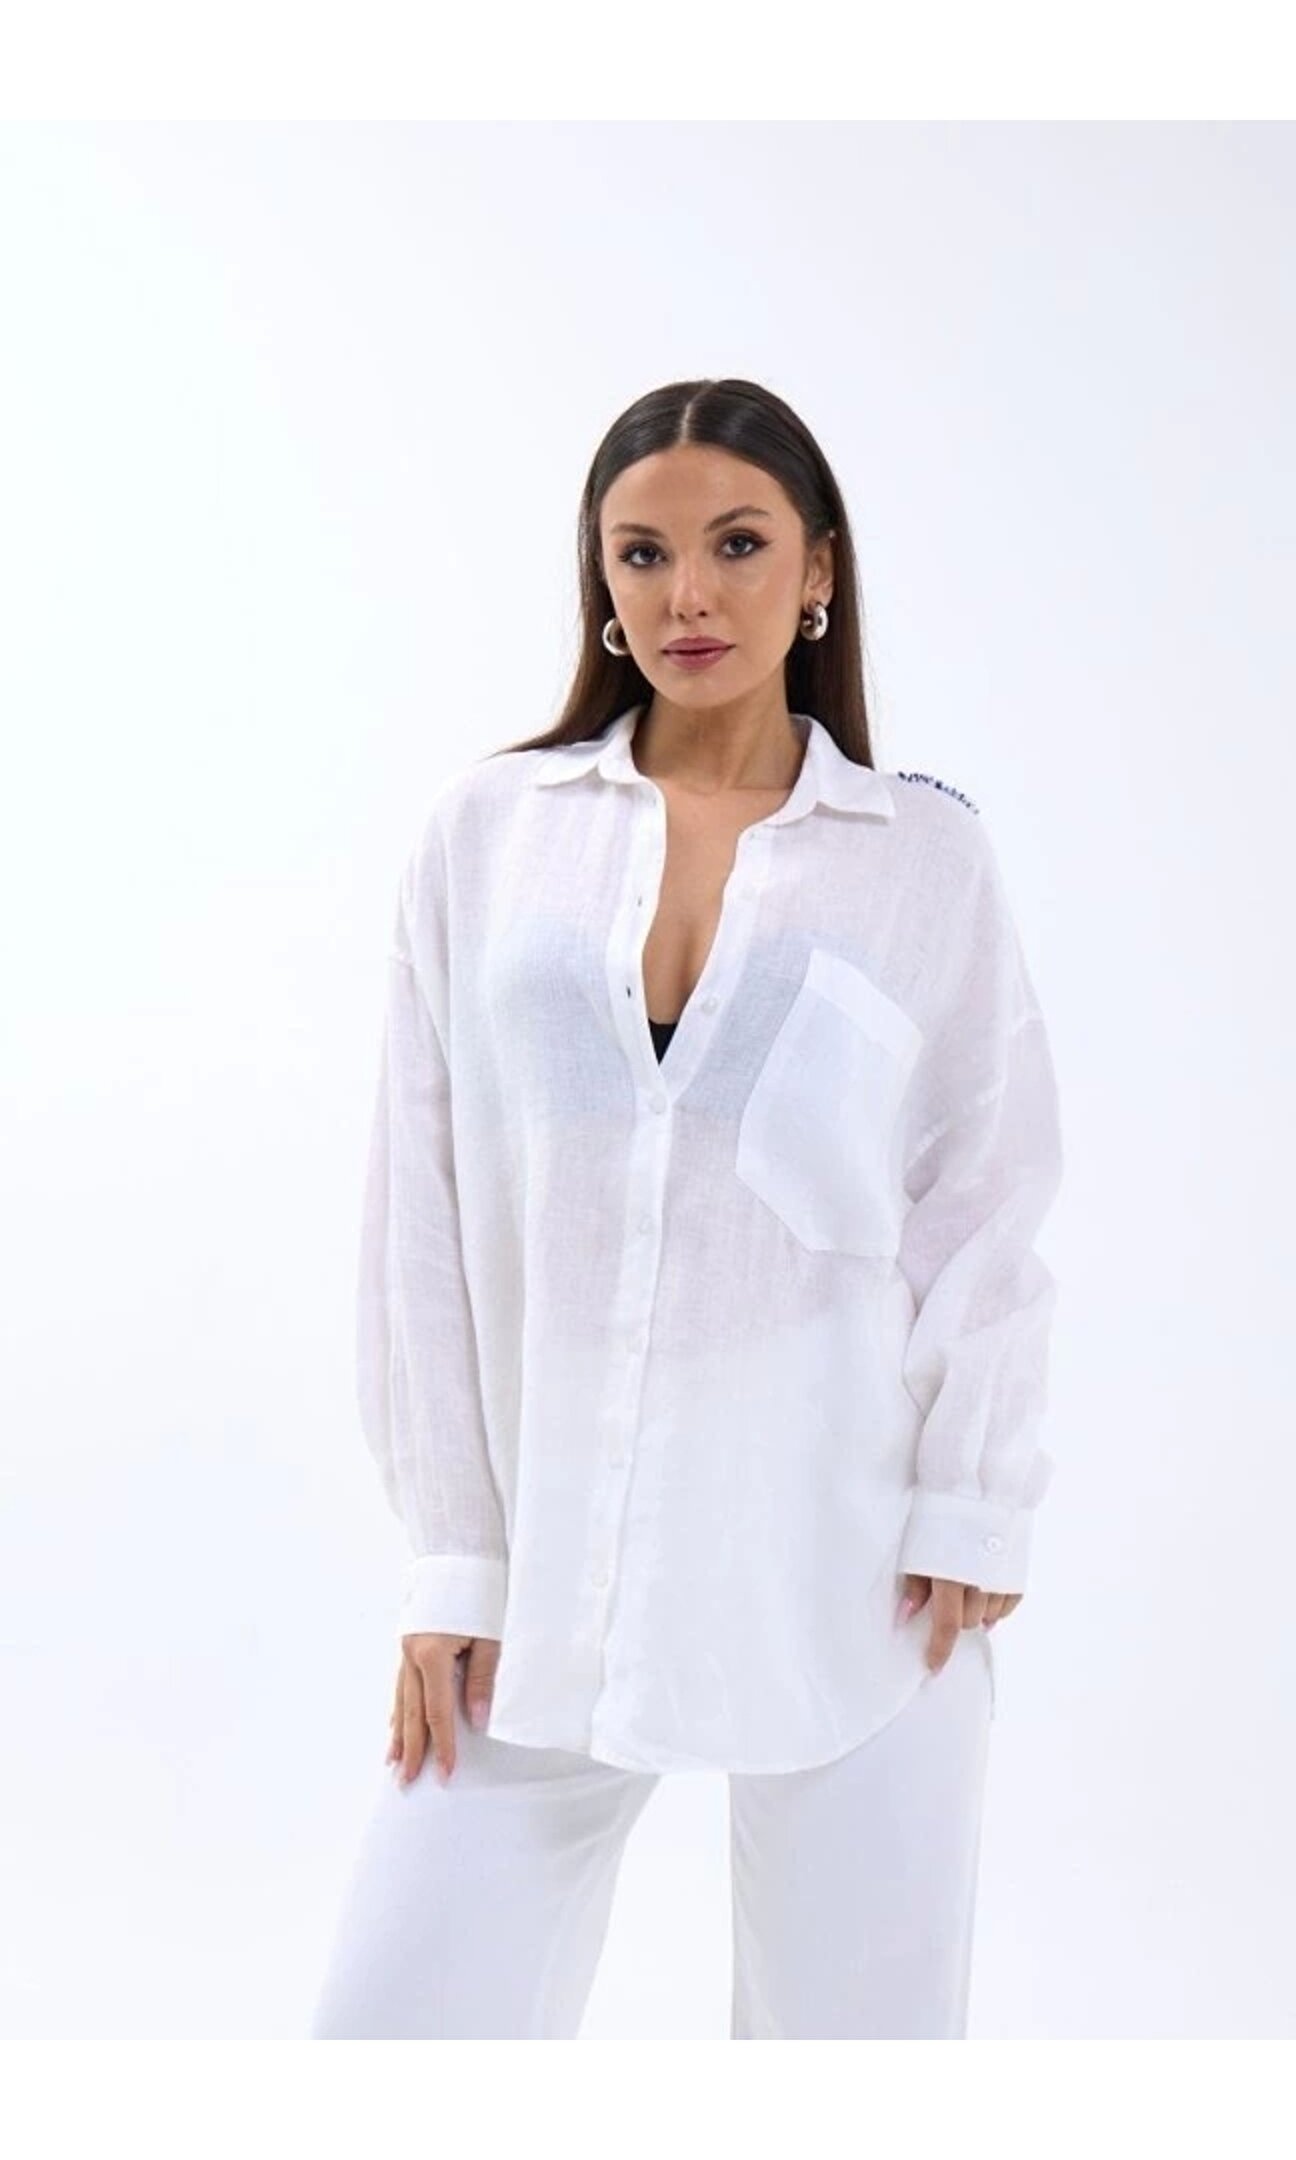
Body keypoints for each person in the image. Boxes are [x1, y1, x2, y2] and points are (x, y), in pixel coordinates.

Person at [308, 376, 1064, 2040]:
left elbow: (988, 1189)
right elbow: (419, 1215)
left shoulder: (920, 858)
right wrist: (453, 1559)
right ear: (600, 579)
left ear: (819, 571)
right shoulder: (489, 836)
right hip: (547, 1564)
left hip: (853, 1563)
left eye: (737, 545)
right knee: (393, 2038)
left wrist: (971, 1502)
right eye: (642, 554)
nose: (687, 595)